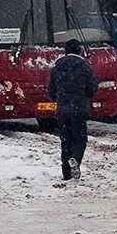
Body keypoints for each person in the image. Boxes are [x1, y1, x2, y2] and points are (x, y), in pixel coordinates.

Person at [46, 38, 95, 181]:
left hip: (62, 109)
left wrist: (60, 99)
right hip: (79, 109)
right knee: (79, 139)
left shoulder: (56, 68)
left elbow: (50, 92)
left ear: (65, 51)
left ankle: (66, 173)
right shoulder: (85, 67)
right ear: (79, 51)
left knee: (65, 140)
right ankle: (75, 159)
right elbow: (92, 90)